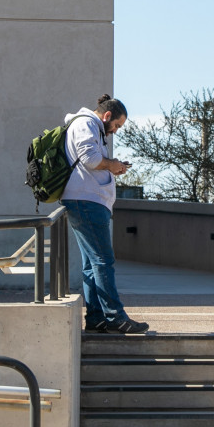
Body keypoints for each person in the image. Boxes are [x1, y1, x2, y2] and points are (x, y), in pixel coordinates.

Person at [61, 94, 149, 334]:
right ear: (107, 115)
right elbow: (90, 159)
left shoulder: (91, 126)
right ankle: (115, 316)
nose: (116, 131)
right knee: (103, 260)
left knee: (92, 264)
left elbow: (90, 161)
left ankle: (96, 317)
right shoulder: (86, 123)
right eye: (117, 125)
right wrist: (112, 164)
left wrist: (112, 167)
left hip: (87, 200)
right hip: (87, 201)